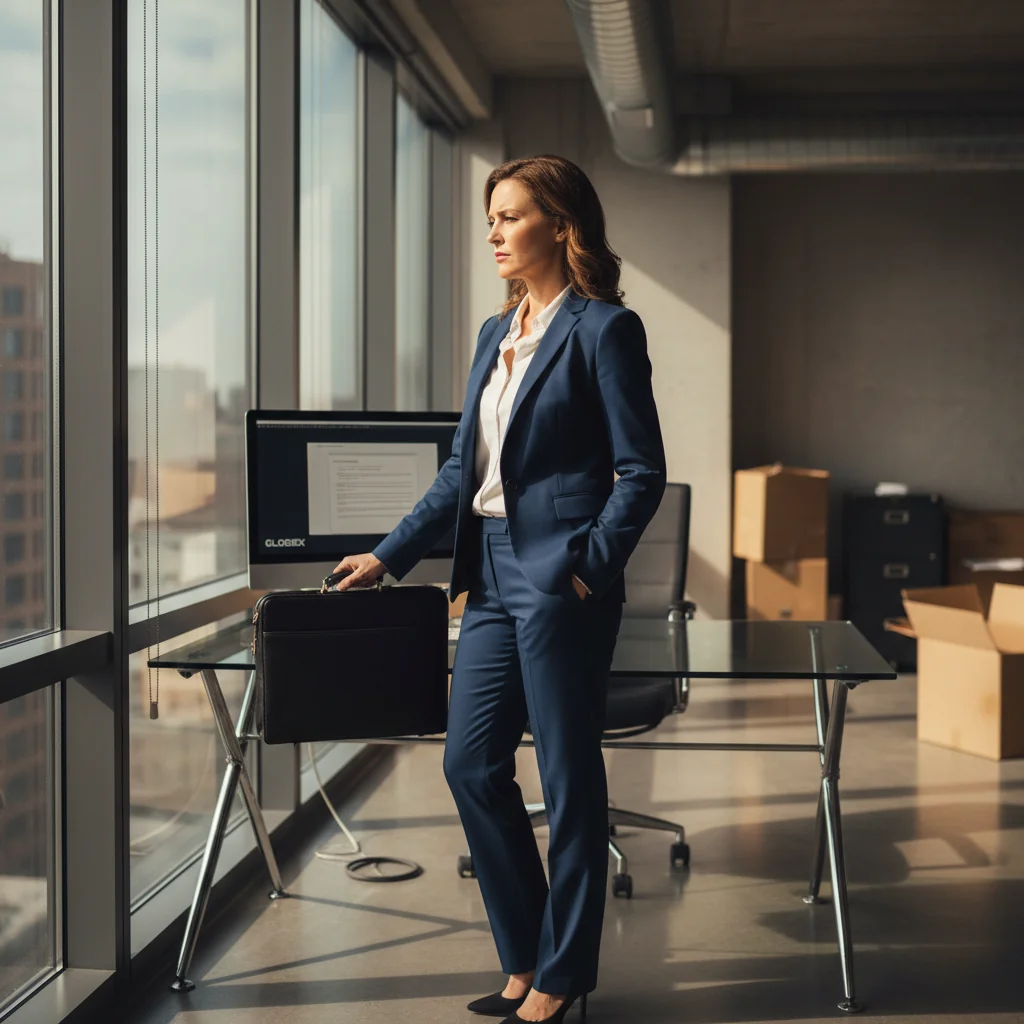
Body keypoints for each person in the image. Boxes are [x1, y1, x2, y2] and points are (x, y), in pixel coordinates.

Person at [330, 154, 666, 1024]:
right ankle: (523, 956)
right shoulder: (494, 333)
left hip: (560, 577)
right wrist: (389, 555)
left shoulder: (603, 330)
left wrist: (589, 566)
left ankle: (561, 975)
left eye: (511, 217)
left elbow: (642, 471)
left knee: (567, 775)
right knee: (470, 762)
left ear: (560, 224)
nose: (494, 234)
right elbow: (460, 473)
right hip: (485, 571)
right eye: (490, 219)